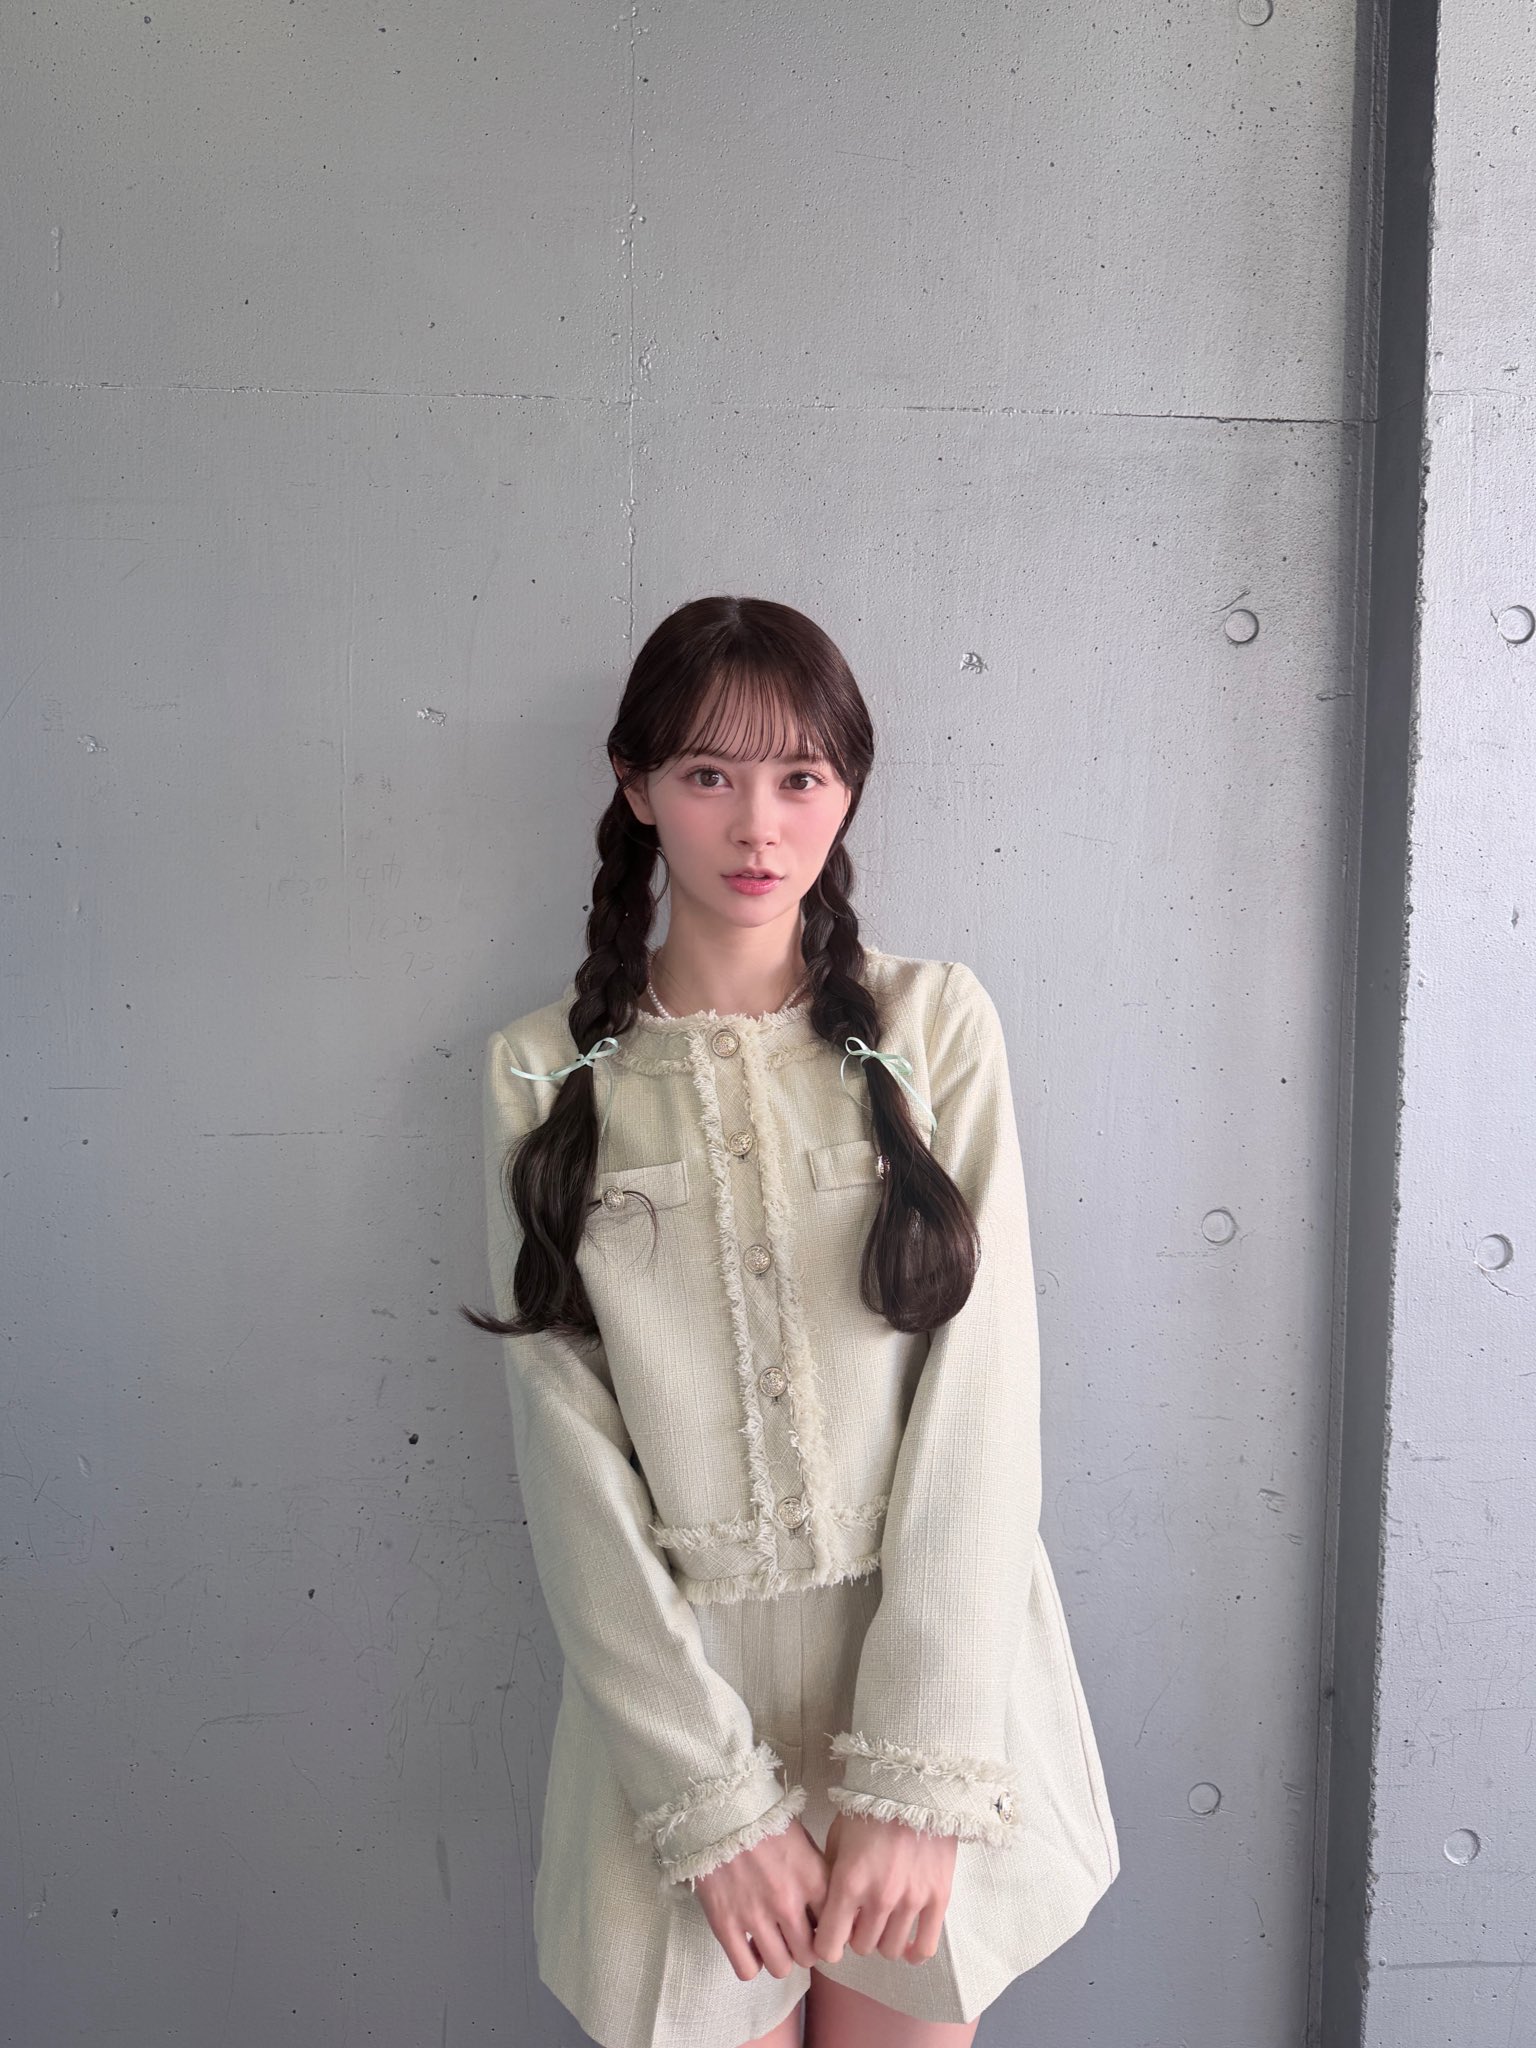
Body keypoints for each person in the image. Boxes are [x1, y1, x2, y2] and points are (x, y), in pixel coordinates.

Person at [460, 596, 1119, 2048]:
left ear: (848, 790)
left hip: (932, 1679)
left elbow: (985, 1399)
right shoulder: (542, 1071)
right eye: (708, 773)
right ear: (636, 786)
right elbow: (565, 1457)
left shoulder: (935, 1025)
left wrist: (918, 1776)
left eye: (800, 776)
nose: (758, 825)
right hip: (679, 1713)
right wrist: (709, 1799)